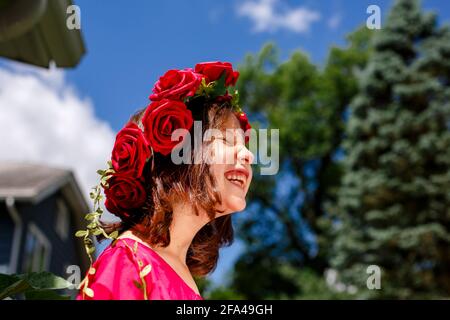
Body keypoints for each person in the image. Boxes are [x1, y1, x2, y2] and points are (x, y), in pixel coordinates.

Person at [77, 61, 254, 300]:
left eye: (244, 145)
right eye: (225, 140)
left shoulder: (185, 277)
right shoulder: (128, 261)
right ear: (178, 153)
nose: (248, 155)